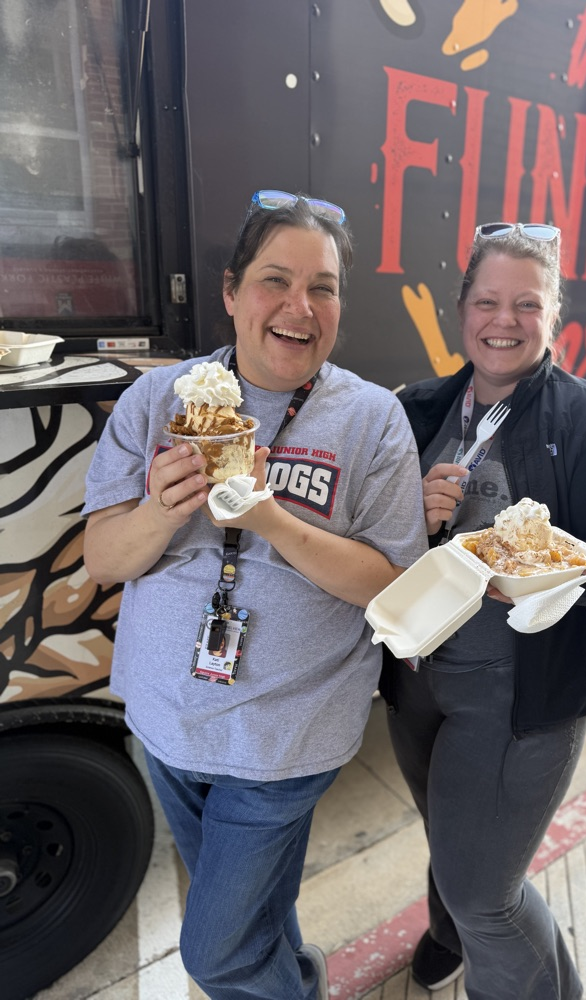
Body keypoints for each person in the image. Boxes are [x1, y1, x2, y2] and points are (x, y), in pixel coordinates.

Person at [82, 190, 428, 1000]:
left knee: (217, 955)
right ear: (232, 293)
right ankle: (297, 976)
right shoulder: (158, 403)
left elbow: (390, 585)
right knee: (250, 918)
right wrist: (161, 509)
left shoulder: (373, 420)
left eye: (325, 286)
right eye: (276, 280)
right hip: (167, 718)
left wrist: (269, 516)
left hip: (287, 731)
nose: (301, 307)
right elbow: (103, 559)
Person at [380, 221, 586, 999]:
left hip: (520, 695)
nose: (503, 321)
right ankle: (449, 933)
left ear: (553, 317)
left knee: (488, 892)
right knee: (451, 839)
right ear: (462, 307)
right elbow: (382, 543)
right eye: (487, 300)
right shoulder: (420, 406)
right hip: (416, 679)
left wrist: (558, 568)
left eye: (526, 304)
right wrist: (416, 513)